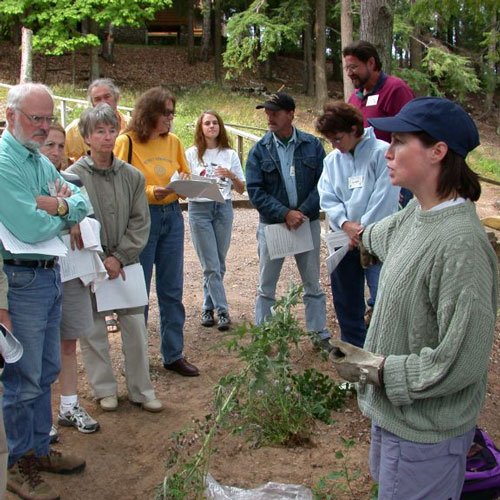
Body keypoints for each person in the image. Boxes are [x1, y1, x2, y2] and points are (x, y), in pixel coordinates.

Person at [330, 97, 498, 500]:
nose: (387, 152)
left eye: (400, 141)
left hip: (426, 435)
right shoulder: (418, 213)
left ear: (438, 151)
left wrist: (381, 370)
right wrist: (356, 236)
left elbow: (461, 361)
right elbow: (380, 235)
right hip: (396, 421)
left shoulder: (461, 246)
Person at [0, 83, 89, 500]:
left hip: (48, 272)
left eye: (48, 118)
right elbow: (27, 227)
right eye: (35, 118)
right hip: (21, 279)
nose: (42, 127)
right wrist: (62, 212)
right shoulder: (4, 162)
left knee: (47, 369)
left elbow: (82, 200)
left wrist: (54, 205)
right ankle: (18, 463)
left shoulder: (37, 158)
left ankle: (37, 448)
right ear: (10, 115)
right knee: (24, 377)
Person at [67, 103, 163, 413]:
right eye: (99, 131)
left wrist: (120, 257)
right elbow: (74, 224)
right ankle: (104, 388)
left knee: (134, 325)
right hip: (90, 265)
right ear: (87, 137)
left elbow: (140, 221)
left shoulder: (132, 176)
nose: (107, 137)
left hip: (126, 266)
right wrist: (99, 259)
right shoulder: (72, 177)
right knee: (94, 329)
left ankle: (141, 389)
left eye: (111, 130)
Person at [114, 87, 200, 377]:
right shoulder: (125, 142)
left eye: (172, 113)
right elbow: (120, 186)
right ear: (148, 113)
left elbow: (183, 172)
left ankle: (173, 354)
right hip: (142, 219)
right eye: (166, 113)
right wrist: (152, 192)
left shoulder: (173, 141)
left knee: (172, 289)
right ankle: (136, 360)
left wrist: (185, 184)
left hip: (173, 217)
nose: (170, 118)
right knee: (139, 292)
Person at [245, 91, 330, 348]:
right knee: (266, 284)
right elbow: (255, 191)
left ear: (291, 114)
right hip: (273, 225)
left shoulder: (312, 145)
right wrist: (284, 213)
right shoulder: (259, 151)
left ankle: (318, 333)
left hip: (307, 222)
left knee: (312, 281)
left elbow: (324, 183)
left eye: (275, 111)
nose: (269, 116)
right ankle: (265, 334)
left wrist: (301, 212)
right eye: (267, 112)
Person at [316, 101, 400, 348]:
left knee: (384, 297)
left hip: (376, 240)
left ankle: (383, 355)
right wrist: (344, 224)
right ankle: (354, 356)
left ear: (355, 129)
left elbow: (384, 197)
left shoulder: (382, 152)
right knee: (346, 300)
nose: (334, 145)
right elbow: (327, 195)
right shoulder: (332, 160)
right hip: (344, 239)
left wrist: (363, 231)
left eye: (338, 139)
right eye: (330, 140)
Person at [40, 123, 100, 436]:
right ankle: (40, 417)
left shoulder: (72, 180)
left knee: (68, 344)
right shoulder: (24, 184)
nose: (56, 152)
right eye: (49, 145)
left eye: (61, 146)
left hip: (71, 272)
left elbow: (86, 210)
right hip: (37, 275)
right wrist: (69, 216)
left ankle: (68, 405)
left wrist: (74, 216)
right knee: (38, 349)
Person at [185, 111, 245, 331]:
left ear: (220, 126)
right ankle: (222, 310)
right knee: (210, 264)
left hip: (223, 209)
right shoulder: (191, 154)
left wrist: (231, 175)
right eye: (207, 123)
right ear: (200, 128)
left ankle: (206, 307)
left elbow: (241, 189)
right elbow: (182, 182)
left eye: (215, 123)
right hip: (199, 209)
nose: (211, 126)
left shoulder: (229, 154)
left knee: (218, 263)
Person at [343, 40, 414, 208]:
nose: (349, 73)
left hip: (393, 177)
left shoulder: (395, 89)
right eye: (347, 68)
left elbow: (410, 136)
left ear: (371, 63)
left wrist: (402, 186)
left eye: (353, 67)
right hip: (363, 179)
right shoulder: (354, 97)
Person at [65, 78, 129, 164]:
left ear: (116, 98)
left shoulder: (131, 125)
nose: (103, 102)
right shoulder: (78, 127)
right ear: (92, 104)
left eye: (107, 97)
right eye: (97, 99)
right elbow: (59, 152)